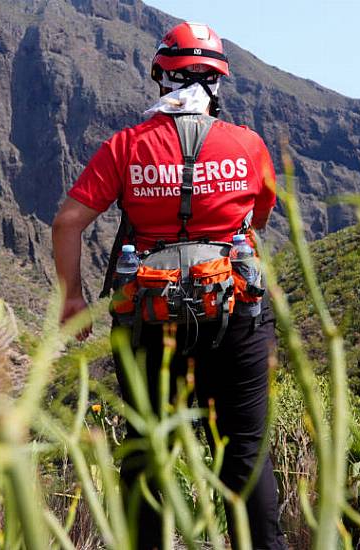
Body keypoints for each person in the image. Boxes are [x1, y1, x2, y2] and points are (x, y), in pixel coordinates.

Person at [51, 22, 287, 550]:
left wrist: (72, 298)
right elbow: (260, 219)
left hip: (148, 320)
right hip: (235, 314)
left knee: (148, 451)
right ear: (218, 83)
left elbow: (67, 222)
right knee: (246, 454)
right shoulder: (247, 144)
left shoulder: (125, 146)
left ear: (161, 77)